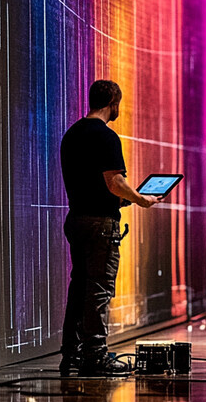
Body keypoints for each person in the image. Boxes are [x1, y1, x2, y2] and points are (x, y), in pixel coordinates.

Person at [59, 80, 159, 375]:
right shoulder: (106, 137)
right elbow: (114, 182)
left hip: (76, 219)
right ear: (113, 102)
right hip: (101, 225)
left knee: (79, 288)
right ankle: (96, 355)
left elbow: (90, 183)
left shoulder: (72, 134)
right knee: (99, 290)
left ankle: (72, 354)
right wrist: (141, 199)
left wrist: (121, 199)